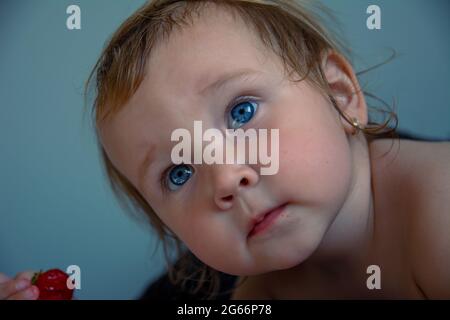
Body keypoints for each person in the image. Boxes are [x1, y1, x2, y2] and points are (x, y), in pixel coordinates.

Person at [2, 0, 448, 300]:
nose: (226, 179)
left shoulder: (436, 208)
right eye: (179, 172)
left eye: (241, 112)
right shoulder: (253, 292)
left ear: (338, 94)